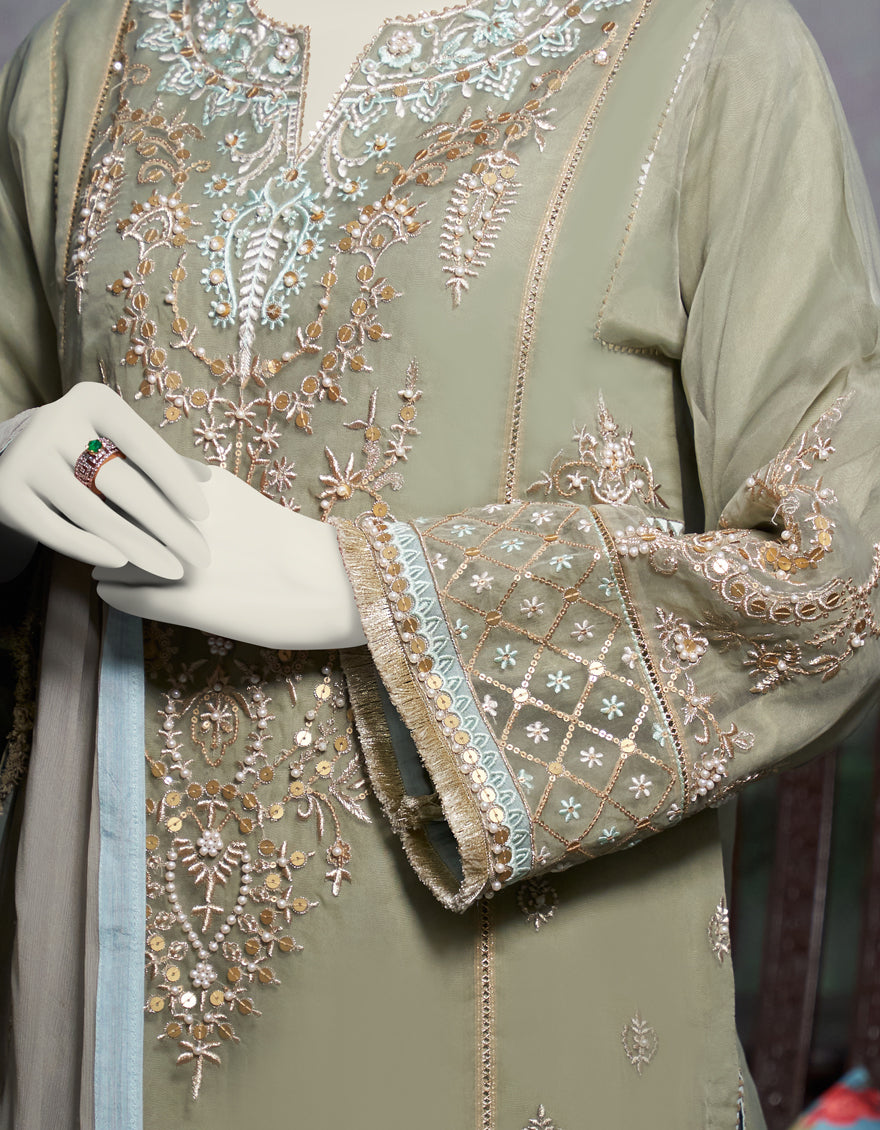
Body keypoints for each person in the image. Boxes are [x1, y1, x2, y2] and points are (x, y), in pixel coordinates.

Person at [0, 0, 878, 1125]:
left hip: (510, 1029)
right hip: (97, 1002)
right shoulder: (88, 58)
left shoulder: (704, 46)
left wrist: (366, 586)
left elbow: (836, 577)